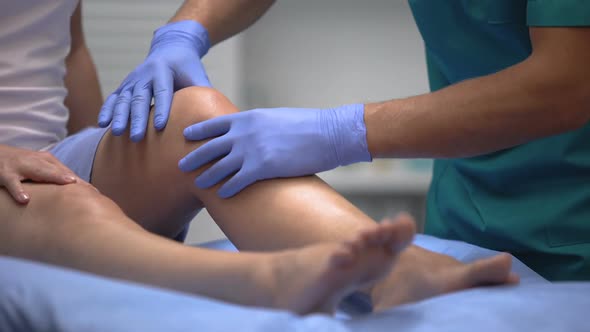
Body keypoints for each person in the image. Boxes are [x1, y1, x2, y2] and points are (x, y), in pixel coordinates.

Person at [0, 0, 518, 314]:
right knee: (65, 205)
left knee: (199, 117)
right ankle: (263, 281)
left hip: (43, 152)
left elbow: (69, 52)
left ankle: (397, 273)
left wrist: (95, 149)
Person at [103, 1, 589, 281]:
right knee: (196, 115)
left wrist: (341, 131)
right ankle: (403, 274)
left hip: (576, 226)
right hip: (466, 217)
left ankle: (402, 274)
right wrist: (185, 29)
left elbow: (571, 83)